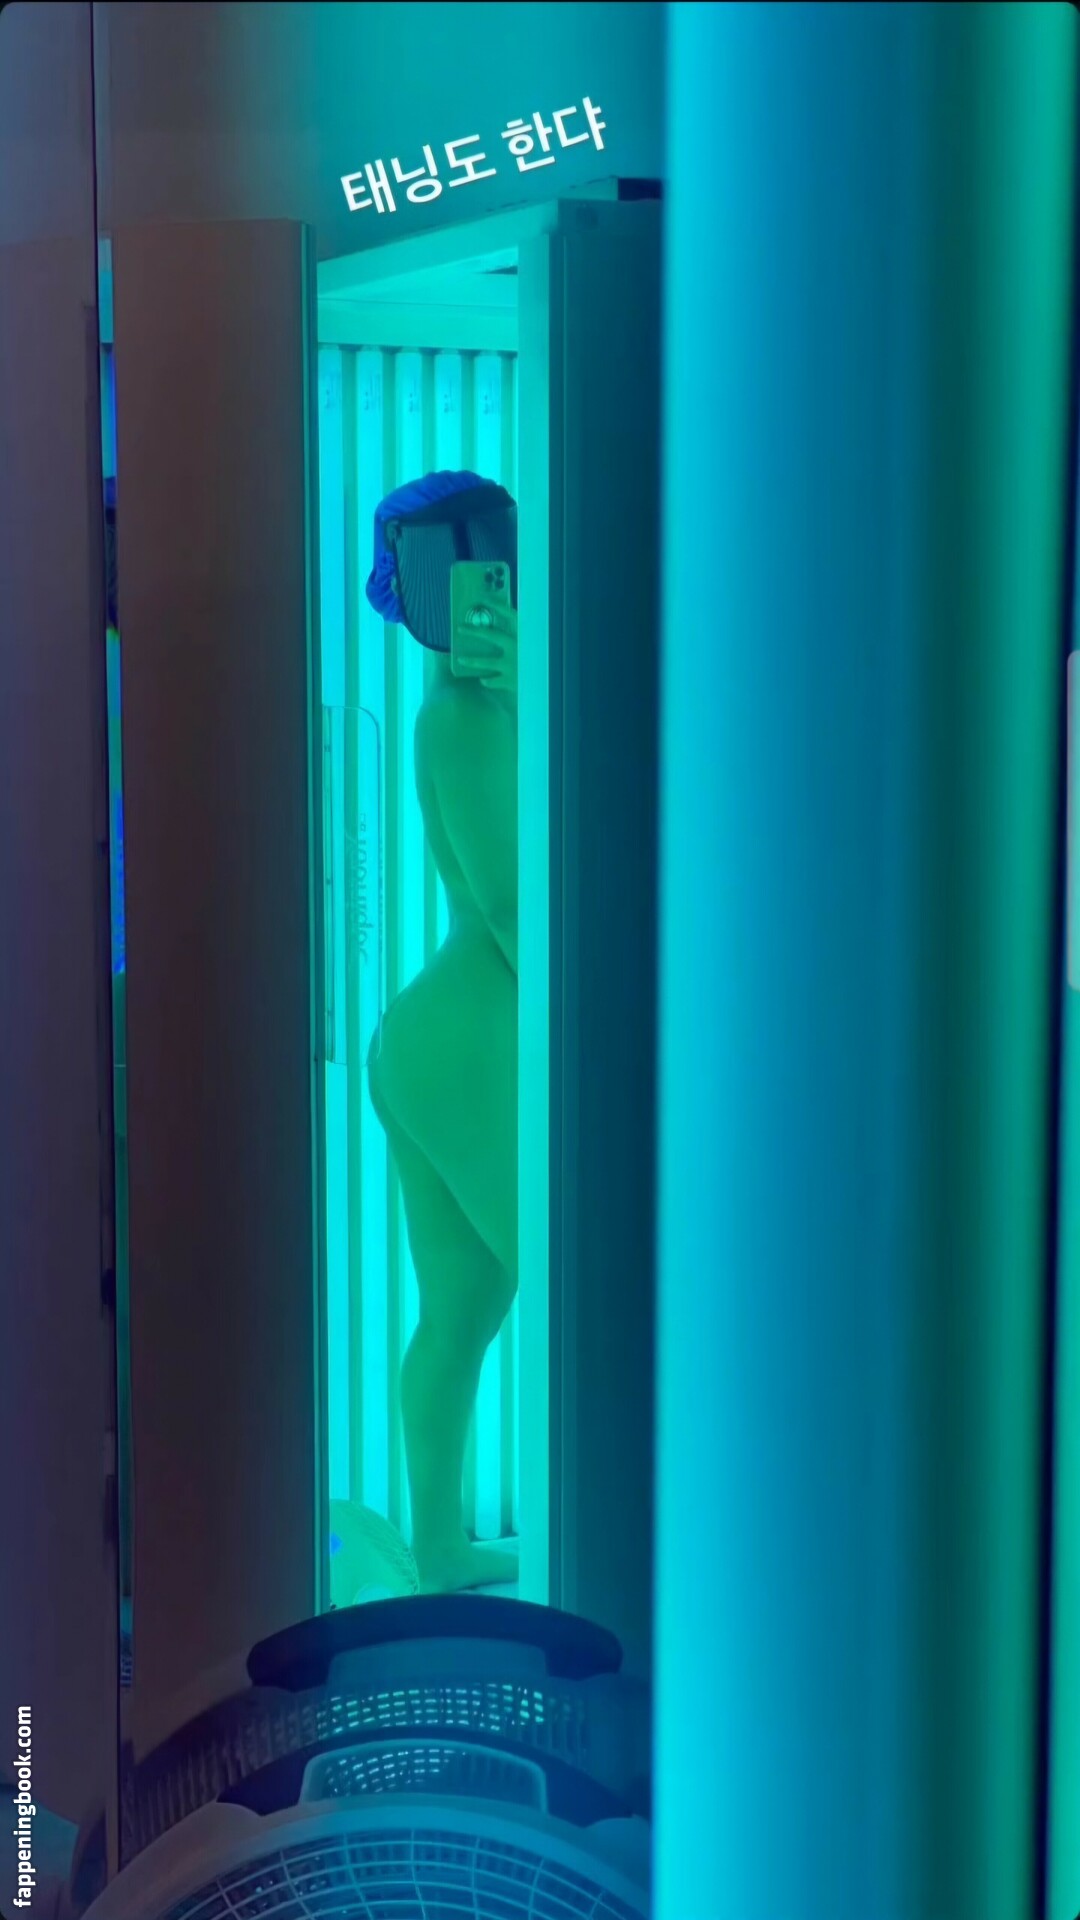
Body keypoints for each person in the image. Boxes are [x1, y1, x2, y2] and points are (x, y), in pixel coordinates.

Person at [364, 474, 521, 1594]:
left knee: (463, 1305)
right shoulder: (464, 718)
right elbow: (515, 905)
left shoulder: (475, 710)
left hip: (439, 1041)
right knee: (561, 1278)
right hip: (472, 1033)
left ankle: (437, 1546)